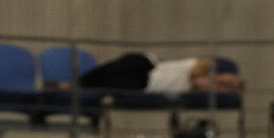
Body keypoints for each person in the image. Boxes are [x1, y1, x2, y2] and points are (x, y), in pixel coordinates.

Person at [75, 53, 244, 97]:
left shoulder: (203, 87)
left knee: (110, 82)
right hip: (151, 65)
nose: (223, 80)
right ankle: (77, 82)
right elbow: (196, 73)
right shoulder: (203, 65)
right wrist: (219, 79)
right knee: (122, 64)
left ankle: (77, 85)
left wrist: (217, 83)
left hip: (149, 84)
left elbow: (199, 84)